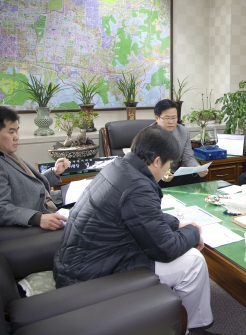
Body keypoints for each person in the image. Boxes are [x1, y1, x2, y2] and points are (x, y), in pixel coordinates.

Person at [53, 125, 214, 332]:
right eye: (168, 165)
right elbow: (166, 249)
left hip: (80, 264)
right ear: (157, 161)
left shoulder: (117, 167)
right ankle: (195, 328)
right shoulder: (138, 186)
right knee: (194, 261)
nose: (168, 171)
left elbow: (138, 215)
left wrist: (178, 224)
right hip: (90, 277)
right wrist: (194, 233)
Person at [0, 105, 70, 230]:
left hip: (48, 202)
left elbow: (23, 185)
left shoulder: (0, 152)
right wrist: (38, 218)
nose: (16, 136)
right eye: (11, 132)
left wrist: (54, 172)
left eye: (16, 131)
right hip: (41, 214)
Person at [154, 99, 209, 188]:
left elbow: (187, 157)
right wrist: (163, 173)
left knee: (196, 177)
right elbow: (148, 163)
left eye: (174, 117)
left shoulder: (183, 131)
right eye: (167, 118)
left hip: (176, 174)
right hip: (158, 176)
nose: (171, 122)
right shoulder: (149, 134)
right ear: (157, 118)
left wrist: (197, 168)